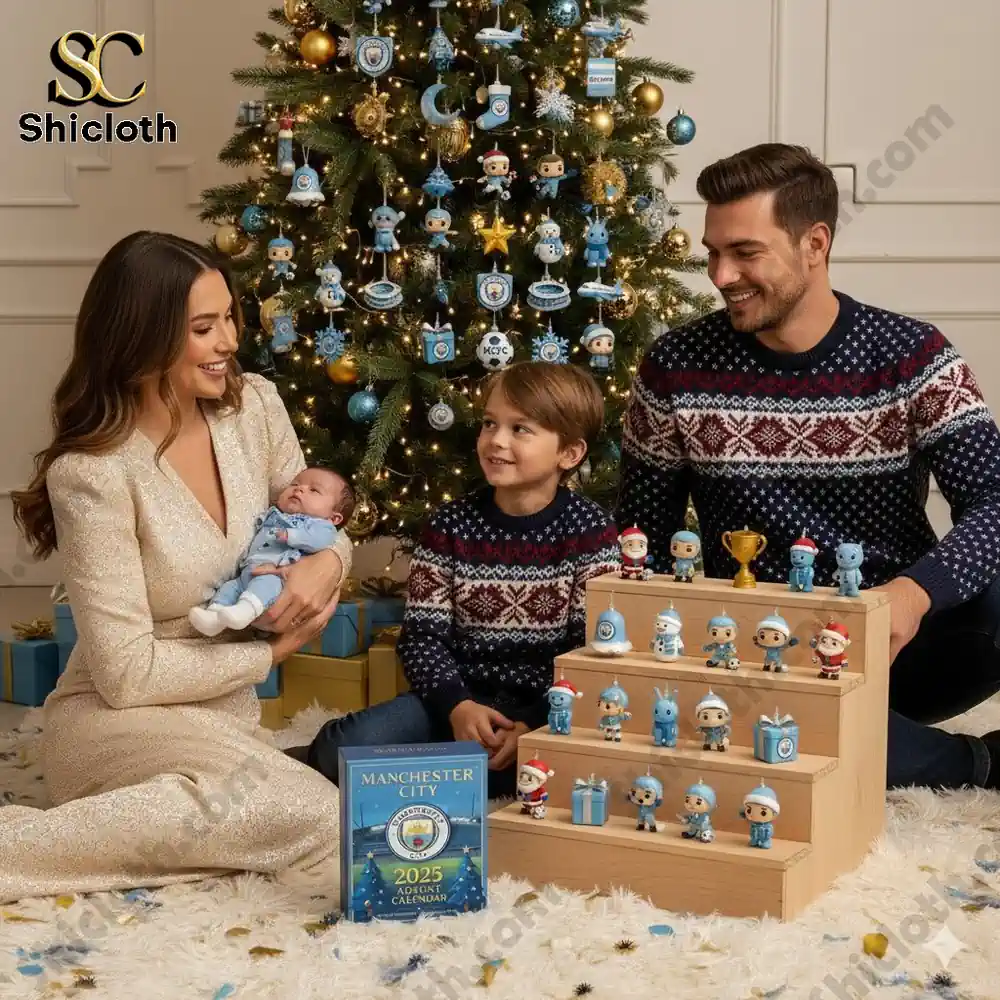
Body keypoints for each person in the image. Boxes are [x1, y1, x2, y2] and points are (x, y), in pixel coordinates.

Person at [615, 142, 1000, 792]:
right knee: (756, 717)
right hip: (758, 658)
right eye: (713, 251)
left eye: (745, 252)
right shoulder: (675, 367)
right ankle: (972, 763)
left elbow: (994, 503)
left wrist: (912, 594)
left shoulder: (912, 356)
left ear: (814, 244)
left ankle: (869, 735)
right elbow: (641, 542)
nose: (720, 274)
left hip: (897, 647)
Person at [5, 230, 353, 903]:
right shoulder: (92, 474)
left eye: (230, 318)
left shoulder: (255, 408)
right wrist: (271, 652)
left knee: (280, 806)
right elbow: (128, 676)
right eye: (203, 327)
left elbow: (315, 516)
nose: (228, 341)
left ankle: (133, 828)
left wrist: (329, 565)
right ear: (143, 336)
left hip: (222, 725)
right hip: (113, 719)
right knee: (313, 812)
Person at [295, 361, 621, 797]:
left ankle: (442, 775)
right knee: (345, 745)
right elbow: (422, 637)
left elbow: (591, 650)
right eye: (489, 423)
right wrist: (457, 706)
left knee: (579, 770)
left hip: (547, 711)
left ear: (570, 453)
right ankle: (436, 771)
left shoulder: (591, 531)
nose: (496, 441)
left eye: (520, 429)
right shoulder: (450, 524)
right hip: (454, 699)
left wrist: (538, 721)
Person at [189, 467, 355, 636]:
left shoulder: (321, 526)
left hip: (277, 573)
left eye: (314, 490)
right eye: (295, 484)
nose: (299, 489)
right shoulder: (275, 514)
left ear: (334, 518)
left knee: (264, 586)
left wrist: (291, 535)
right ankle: (213, 616)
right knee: (230, 588)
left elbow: (319, 540)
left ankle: (244, 610)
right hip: (248, 570)